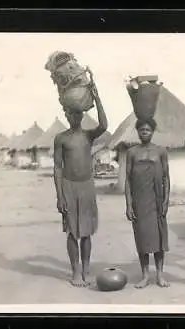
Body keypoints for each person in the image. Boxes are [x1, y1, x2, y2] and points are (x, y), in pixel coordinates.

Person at [53, 71, 108, 287]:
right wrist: (60, 196)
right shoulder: (61, 138)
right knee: (72, 232)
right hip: (69, 186)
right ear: (66, 114)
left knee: (86, 232)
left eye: (78, 113)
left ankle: (86, 269)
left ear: (82, 115)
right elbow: (57, 168)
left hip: (87, 187)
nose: (75, 116)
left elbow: (104, 125)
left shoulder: (88, 135)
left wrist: (97, 97)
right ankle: (75, 271)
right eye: (71, 113)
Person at [125, 118, 170, 289]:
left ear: (152, 131)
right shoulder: (132, 152)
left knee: (158, 239)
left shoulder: (161, 151)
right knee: (142, 239)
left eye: (148, 129)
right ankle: (145, 275)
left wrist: (166, 201)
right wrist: (129, 205)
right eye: (142, 129)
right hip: (139, 201)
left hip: (157, 199)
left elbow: (166, 178)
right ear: (137, 132)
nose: (145, 132)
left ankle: (160, 275)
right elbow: (128, 180)